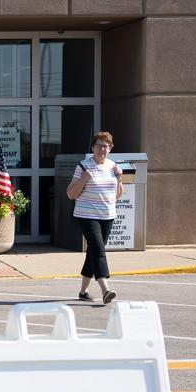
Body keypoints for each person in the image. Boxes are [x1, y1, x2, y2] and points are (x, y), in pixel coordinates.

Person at [66, 130, 123, 305]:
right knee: (98, 250)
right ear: (93, 148)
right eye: (99, 146)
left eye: (106, 146)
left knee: (93, 252)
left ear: (110, 149)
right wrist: (85, 177)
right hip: (87, 215)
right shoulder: (83, 166)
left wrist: (120, 178)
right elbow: (70, 194)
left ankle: (83, 292)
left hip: (107, 215)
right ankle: (105, 289)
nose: (102, 150)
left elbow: (118, 195)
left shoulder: (113, 167)